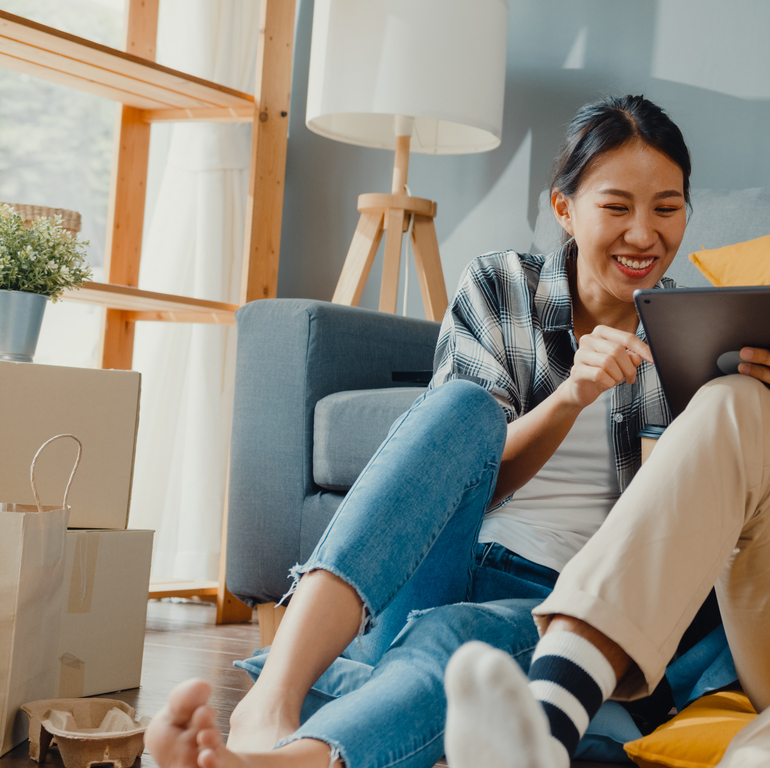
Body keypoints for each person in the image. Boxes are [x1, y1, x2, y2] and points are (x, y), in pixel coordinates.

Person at [146, 94, 728, 768]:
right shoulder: (500, 285)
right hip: (447, 560)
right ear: (564, 208)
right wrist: (569, 397)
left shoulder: (687, 331)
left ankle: (284, 761)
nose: (643, 235)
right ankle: (272, 699)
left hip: (565, 603)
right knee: (463, 409)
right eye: (616, 207)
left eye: (666, 207)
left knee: (456, 646)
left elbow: (660, 534)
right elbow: (475, 474)